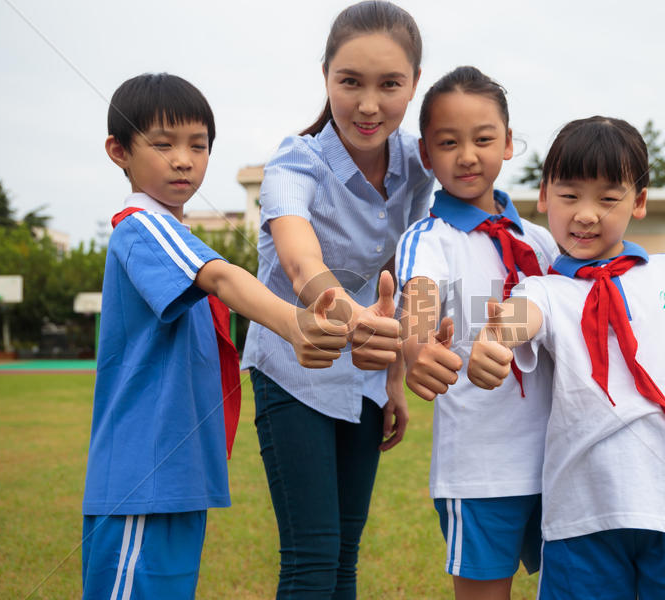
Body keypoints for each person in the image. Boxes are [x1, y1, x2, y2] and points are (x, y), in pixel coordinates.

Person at [468, 116, 665, 599]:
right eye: (570, 195)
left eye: (608, 198)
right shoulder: (547, 290)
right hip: (582, 520)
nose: (586, 214)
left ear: (638, 201)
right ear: (544, 197)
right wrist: (492, 340)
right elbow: (520, 317)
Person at [82, 73, 348, 600]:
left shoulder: (176, 236)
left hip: (178, 478)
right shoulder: (142, 226)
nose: (183, 159)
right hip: (143, 483)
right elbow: (224, 278)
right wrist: (294, 324)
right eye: (162, 144)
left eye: (198, 145)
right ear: (119, 150)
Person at [238, 2, 433, 597]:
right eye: (350, 82)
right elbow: (302, 263)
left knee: (345, 557)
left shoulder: (422, 168)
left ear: (414, 85)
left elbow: (415, 271)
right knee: (311, 557)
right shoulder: (296, 161)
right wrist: (355, 321)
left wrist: (395, 374)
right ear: (325, 76)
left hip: (367, 379)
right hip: (294, 372)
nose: (368, 104)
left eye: (389, 84)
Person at [395, 66, 558, 600]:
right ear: (426, 153)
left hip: (563, 460)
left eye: (483, 139)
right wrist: (419, 349)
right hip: (480, 469)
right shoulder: (429, 238)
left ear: (509, 144)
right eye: (449, 142)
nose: (467, 155)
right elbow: (418, 302)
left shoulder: (544, 241)